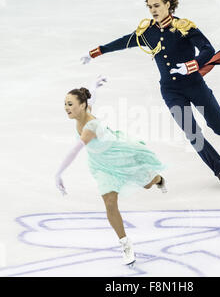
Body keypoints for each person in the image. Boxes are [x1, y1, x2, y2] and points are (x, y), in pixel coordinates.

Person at [80, 0, 220, 185]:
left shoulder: (183, 27)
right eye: (149, 7)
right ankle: (219, 168)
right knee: (193, 135)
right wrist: (96, 52)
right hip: (171, 91)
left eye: (156, 5)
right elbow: (124, 42)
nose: (153, 10)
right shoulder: (147, 32)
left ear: (168, 4)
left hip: (195, 86)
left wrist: (191, 65)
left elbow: (208, 49)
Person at [55, 76, 166, 266]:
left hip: (121, 155)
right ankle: (125, 243)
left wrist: (58, 173)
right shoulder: (85, 110)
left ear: (81, 105)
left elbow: (74, 151)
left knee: (148, 183)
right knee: (109, 202)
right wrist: (93, 86)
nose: (66, 107)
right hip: (101, 165)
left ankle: (158, 179)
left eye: (70, 104)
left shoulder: (90, 126)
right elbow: (92, 99)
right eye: (65, 103)